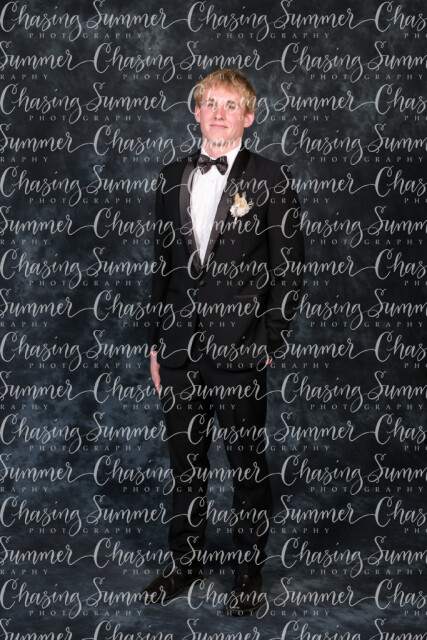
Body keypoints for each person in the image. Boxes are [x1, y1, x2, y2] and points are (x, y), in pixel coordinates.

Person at [142, 68, 304, 614]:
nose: (218, 113)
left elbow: (289, 273)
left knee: (246, 467)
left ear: (248, 117)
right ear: (196, 112)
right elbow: (162, 267)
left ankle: (248, 573)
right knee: (185, 468)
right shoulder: (170, 177)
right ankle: (184, 564)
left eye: (230, 105)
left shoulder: (272, 178)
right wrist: (155, 344)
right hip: (179, 351)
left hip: (241, 350)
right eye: (210, 103)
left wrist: (268, 342)